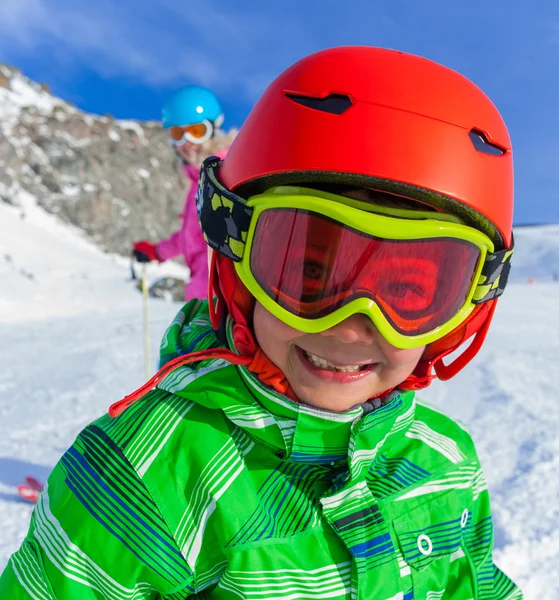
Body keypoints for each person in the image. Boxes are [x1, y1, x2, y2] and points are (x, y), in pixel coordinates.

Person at [0, 47, 521, 599]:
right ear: (235, 242)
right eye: (307, 268)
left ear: (467, 304)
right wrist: (162, 252)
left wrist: (286, 284)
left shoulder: (447, 461)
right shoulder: (150, 477)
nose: (352, 326)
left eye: (407, 291)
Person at [133, 85, 231, 301]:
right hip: (203, 292)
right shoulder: (199, 179)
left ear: (213, 129)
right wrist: (157, 252)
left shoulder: (227, 170)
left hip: (224, 294)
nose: (187, 142)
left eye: (196, 131)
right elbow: (192, 236)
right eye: (178, 133)